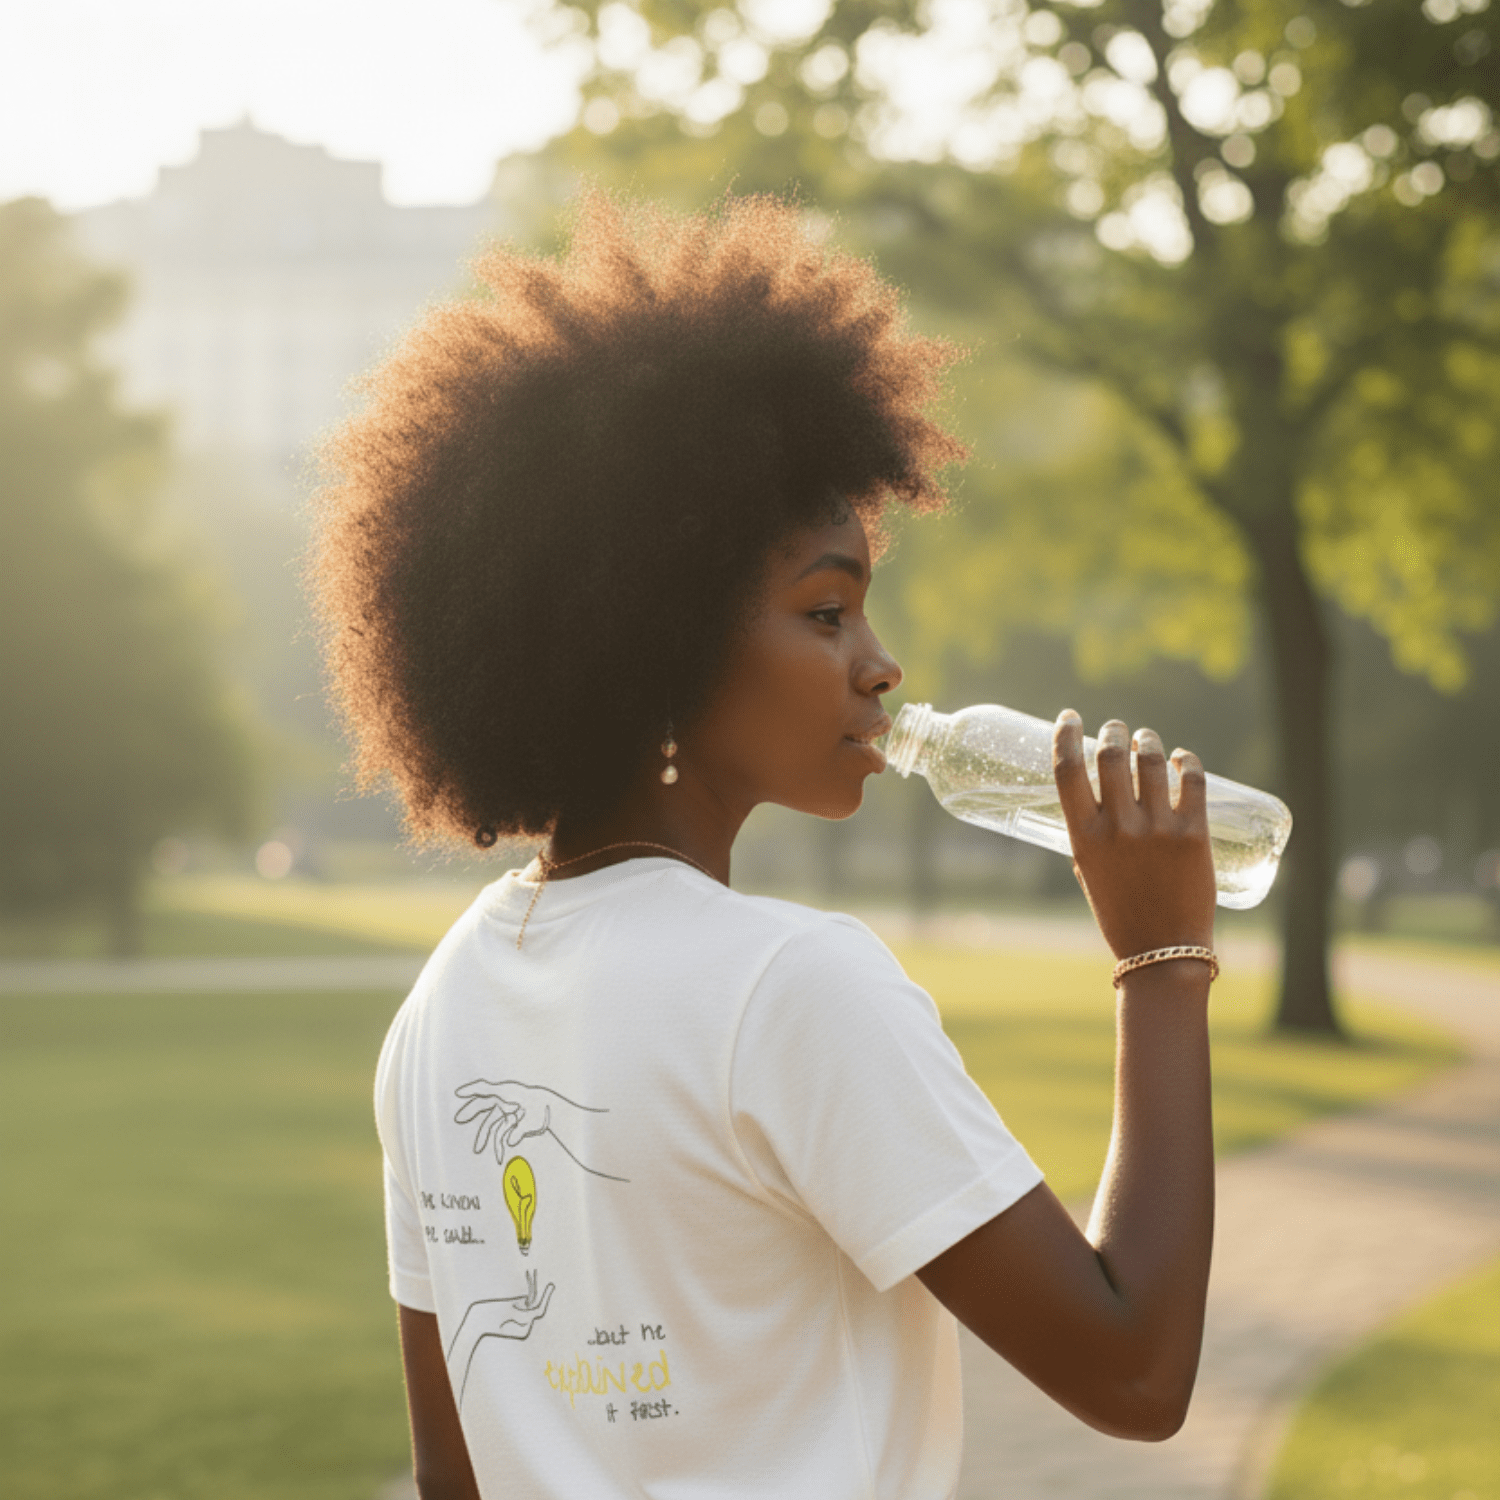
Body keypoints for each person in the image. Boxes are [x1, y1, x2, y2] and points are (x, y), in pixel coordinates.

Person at [309, 193, 1218, 1500]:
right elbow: (1134, 1372)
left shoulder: (439, 1010)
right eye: (828, 611)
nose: (879, 664)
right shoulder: (791, 988)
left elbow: (452, 1475)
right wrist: (1164, 959)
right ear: (656, 648)